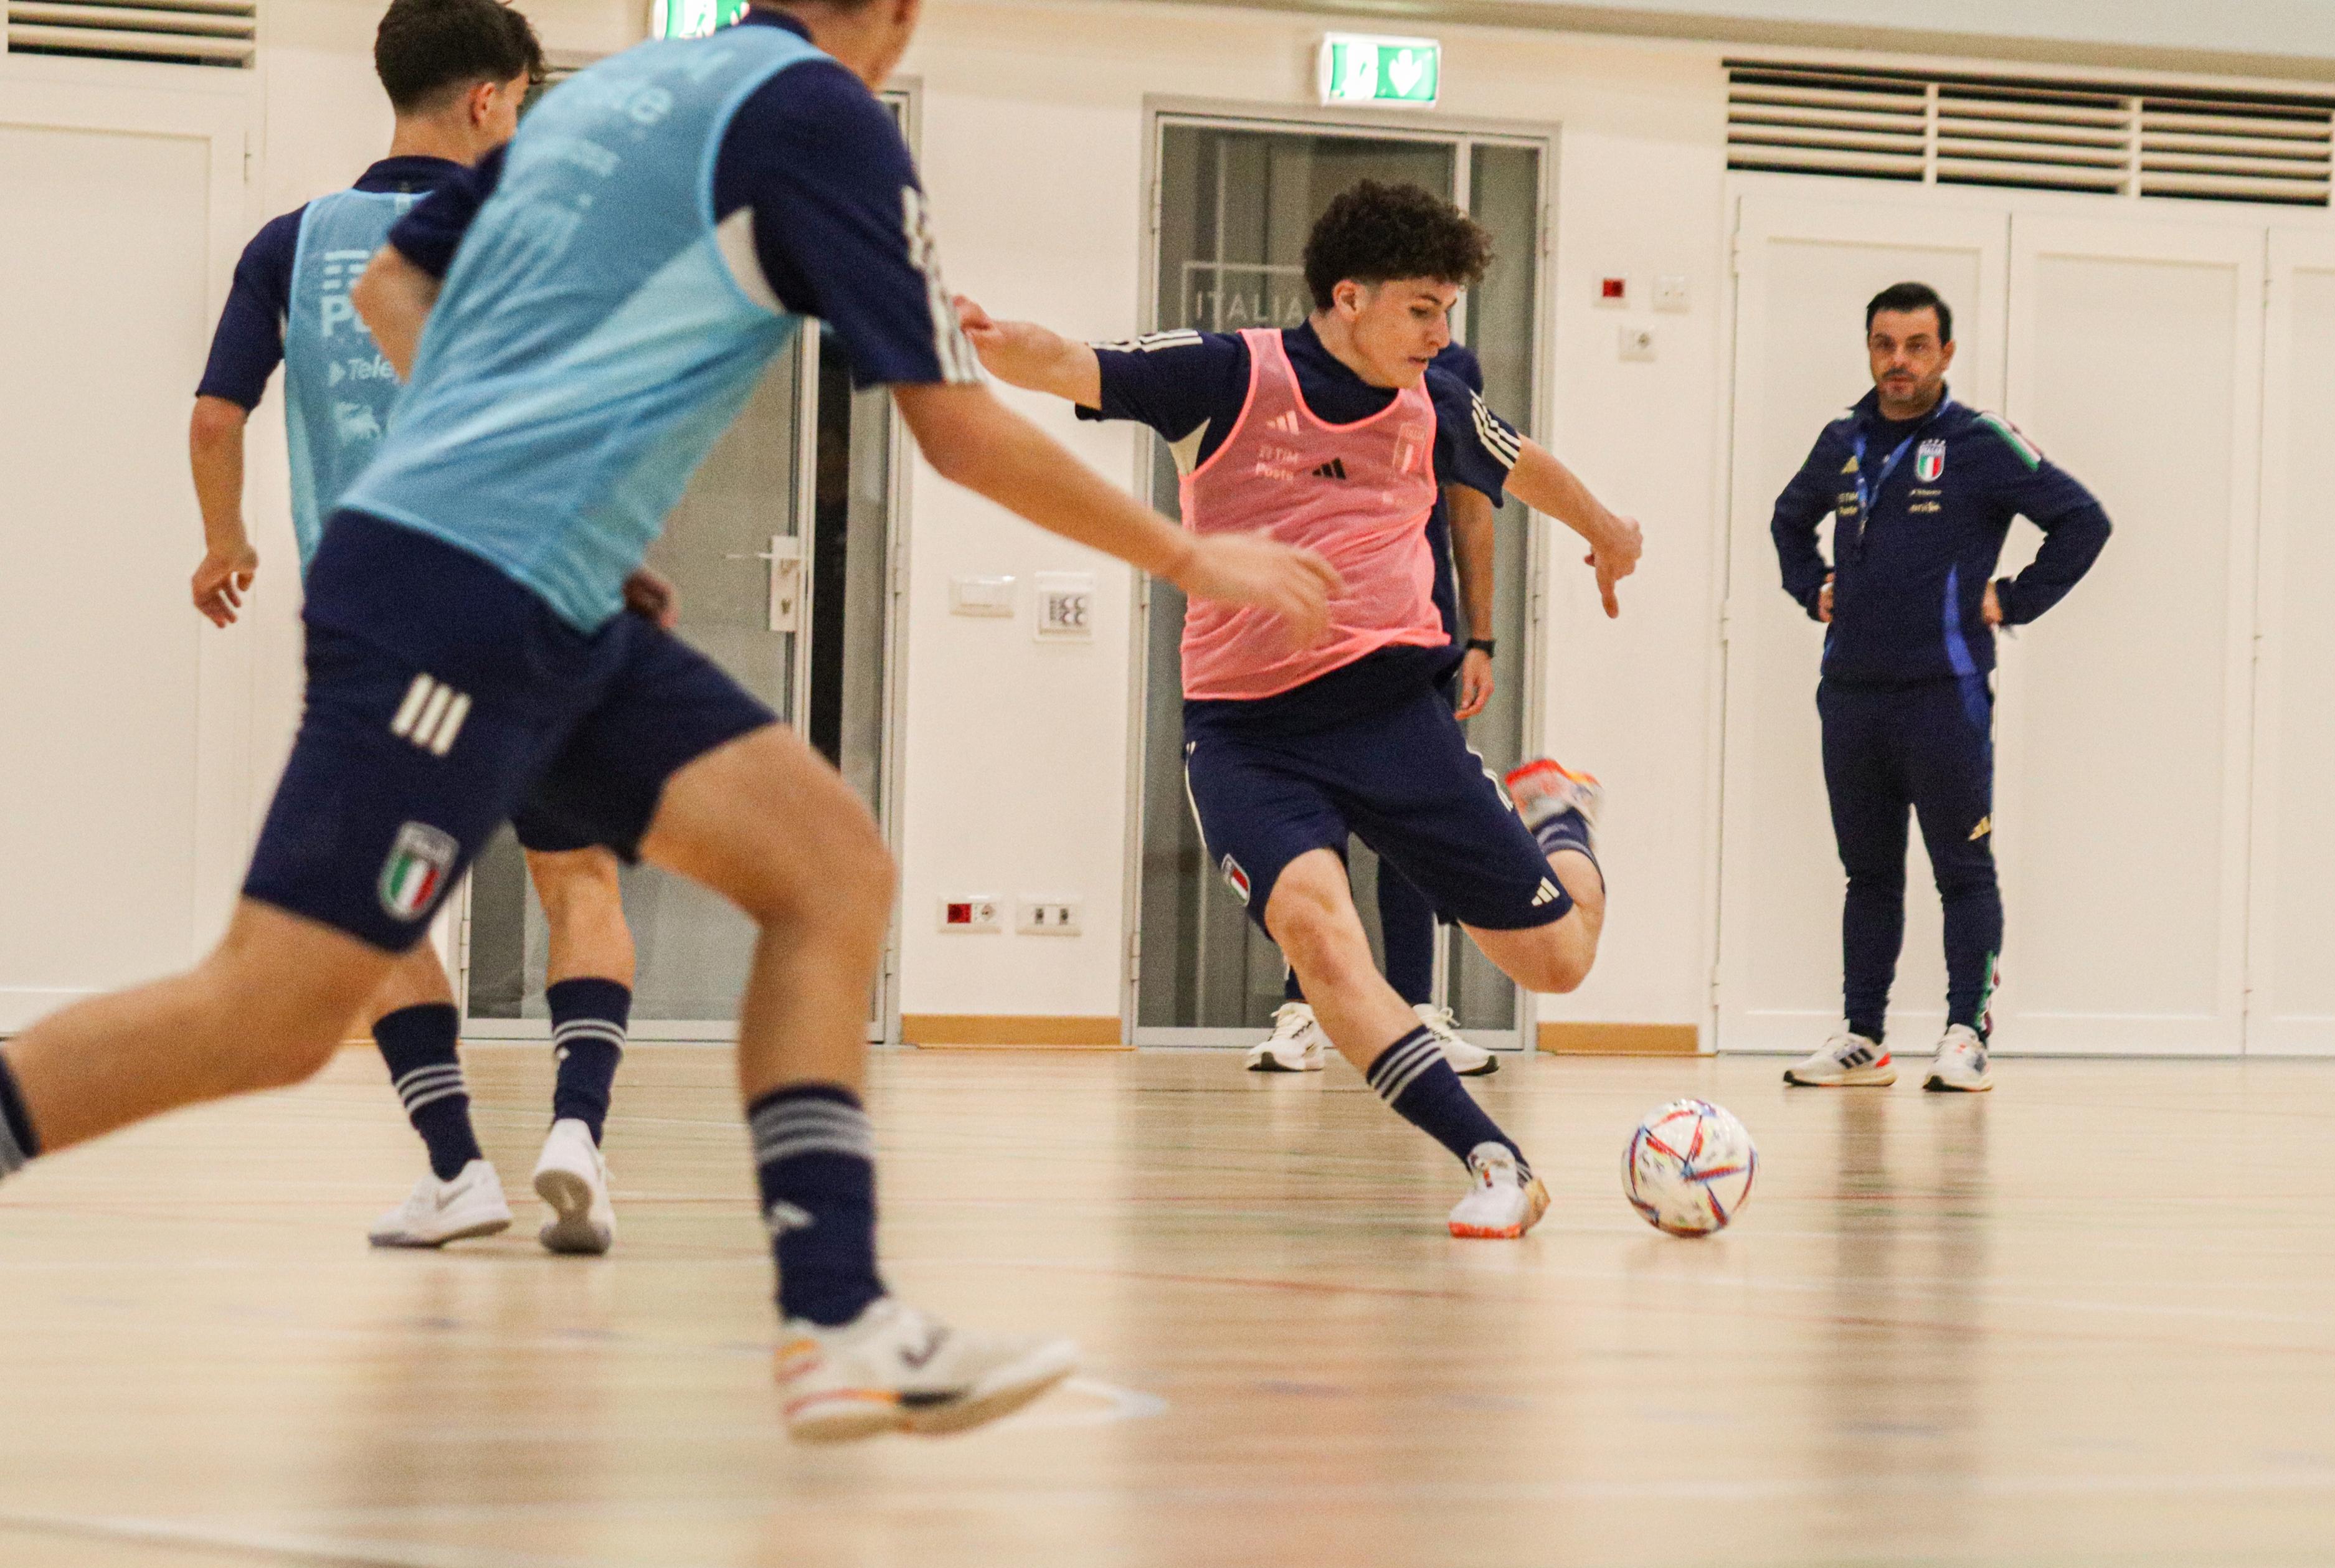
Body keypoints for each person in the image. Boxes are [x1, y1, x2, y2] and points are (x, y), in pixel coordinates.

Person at [0, 0, 1335, 1442]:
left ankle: (838, 1319)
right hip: (457, 596)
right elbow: (952, 425)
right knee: (269, 1010)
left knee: (826, 866)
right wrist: (1198, 557)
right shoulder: (821, 115)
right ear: (893, 16)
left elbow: (396, 288)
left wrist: (547, 470)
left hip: (553, 600)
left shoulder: (621, 88)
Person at [959, 179, 1642, 1239]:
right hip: (1249, 737)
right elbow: (1076, 362)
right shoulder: (1231, 377)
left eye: (1450, 310)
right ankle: (1496, 1161)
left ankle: (1560, 819)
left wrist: (1610, 529)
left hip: (1395, 722)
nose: (1441, 333)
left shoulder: (1435, 404)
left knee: (1561, 962)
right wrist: (987, 339)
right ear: (1348, 297)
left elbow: (1525, 465)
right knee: (1322, 940)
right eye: (1423, 309)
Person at [188, 0, 636, 1254]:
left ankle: (456, 1168)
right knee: (579, 877)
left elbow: (216, 420)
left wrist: (225, 542)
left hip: (380, 634)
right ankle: (578, 1139)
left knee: (377, 909)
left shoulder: (296, 242)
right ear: (493, 100)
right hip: (536, 604)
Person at [1771, 281, 2111, 1093]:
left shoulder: (1980, 441)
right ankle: (1863, 1037)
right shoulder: (1842, 440)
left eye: (1916, 346)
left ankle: (1965, 1033)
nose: (1899, 362)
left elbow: (2084, 520)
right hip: (1850, 693)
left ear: (1946, 353)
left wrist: (2015, 599)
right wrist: (1808, 584)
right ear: (1869, 349)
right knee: (1869, 873)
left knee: (1963, 869)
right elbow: (1789, 516)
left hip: (1944, 695)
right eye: (1885, 344)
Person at [1248, 342, 1500, 1078]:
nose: (1433, 318)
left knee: (1412, 819)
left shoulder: (1451, 373)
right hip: (1308, 632)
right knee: (1311, 822)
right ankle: (1306, 1009)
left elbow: (1470, 506)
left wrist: (1478, 635)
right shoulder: (1284, 365)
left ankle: (1418, 1011)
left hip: (1414, 632)